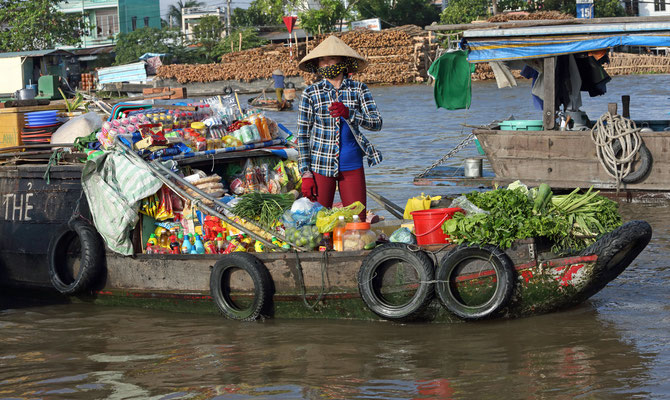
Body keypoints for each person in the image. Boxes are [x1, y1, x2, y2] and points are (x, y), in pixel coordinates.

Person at [296, 35, 383, 221]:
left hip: (352, 164)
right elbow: (303, 135)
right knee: (319, 223)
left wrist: (349, 113)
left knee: (357, 221)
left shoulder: (359, 89)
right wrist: (305, 172)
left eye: (331, 59)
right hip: (320, 165)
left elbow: (376, 123)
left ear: (343, 62)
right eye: (322, 60)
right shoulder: (311, 93)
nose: (326, 64)